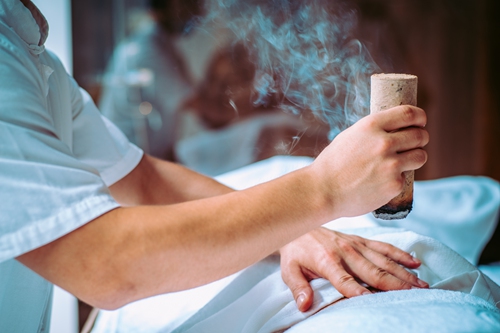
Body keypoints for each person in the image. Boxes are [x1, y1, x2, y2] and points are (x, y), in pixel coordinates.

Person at [0, 0, 430, 332]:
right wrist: (322, 190)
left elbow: (143, 180)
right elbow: (103, 263)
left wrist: (291, 230)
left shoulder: (32, 56)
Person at [99, 0, 200, 160]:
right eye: (185, 4)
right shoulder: (146, 49)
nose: (196, 10)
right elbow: (194, 103)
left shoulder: (162, 43)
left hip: (148, 156)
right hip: (130, 158)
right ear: (160, 10)